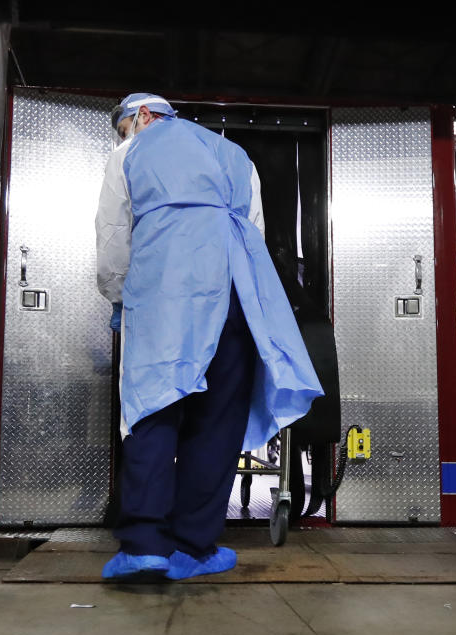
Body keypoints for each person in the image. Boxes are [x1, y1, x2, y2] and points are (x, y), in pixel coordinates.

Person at [95, 93, 323, 581]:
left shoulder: (130, 152)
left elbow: (115, 237)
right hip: (238, 297)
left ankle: (143, 548)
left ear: (141, 116)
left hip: (166, 295)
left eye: (123, 127)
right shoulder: (237, 156)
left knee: (153, 408)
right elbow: (254, 234)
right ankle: (193, 549)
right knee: (217, 423)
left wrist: (118, 297)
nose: (124, 137)